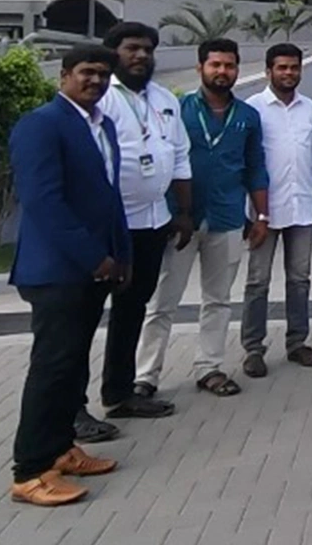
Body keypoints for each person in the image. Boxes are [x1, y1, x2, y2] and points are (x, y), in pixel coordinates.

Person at [6, 43, 128, 507]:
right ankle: (30, 470)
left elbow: (109, 195)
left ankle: (61, 448)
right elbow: (43, 201)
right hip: (56, 269)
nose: (95, 81)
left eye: (102, 75)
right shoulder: (41, 124)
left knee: (73, 364)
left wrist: (121, 254)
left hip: (95, 268)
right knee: (52, 368)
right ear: (64, 76)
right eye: (86, 72)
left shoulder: (103, 125)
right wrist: (94, 256)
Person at [135, 39, 265, 401]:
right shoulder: (177, 110)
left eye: (229, 65)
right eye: (215, 65)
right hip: (180, 221)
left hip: (227, 216)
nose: (222, 71)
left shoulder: (247, 116)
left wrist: (261, 215)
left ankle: (209, 367)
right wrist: (170, 213)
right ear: (200, 68)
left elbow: (256, 168)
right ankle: (145, 375)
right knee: (162, 302)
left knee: (218, 299)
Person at [89, 23, 190, 432]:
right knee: (85, 317)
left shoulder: (165, 99)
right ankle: (73, 408)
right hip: (111, 226)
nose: (141, 56)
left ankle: (120, 392)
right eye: (132, 48)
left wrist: (183, 211)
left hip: (153, 221)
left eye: (148, 50)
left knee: (132, 309)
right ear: (113, 52)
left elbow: (179, 156)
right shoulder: (102, 98)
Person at [240, 43, 312, 377]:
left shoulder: (310, 108)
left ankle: (297, 342)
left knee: (300, 279)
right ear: (268, 71)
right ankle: (253, 349)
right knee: (257, 281)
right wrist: (250, 212)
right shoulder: (253, 108)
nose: (288, 73)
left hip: (301, 206)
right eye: (282, 67)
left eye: (294, 67)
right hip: (264, 210)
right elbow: (247, 162)